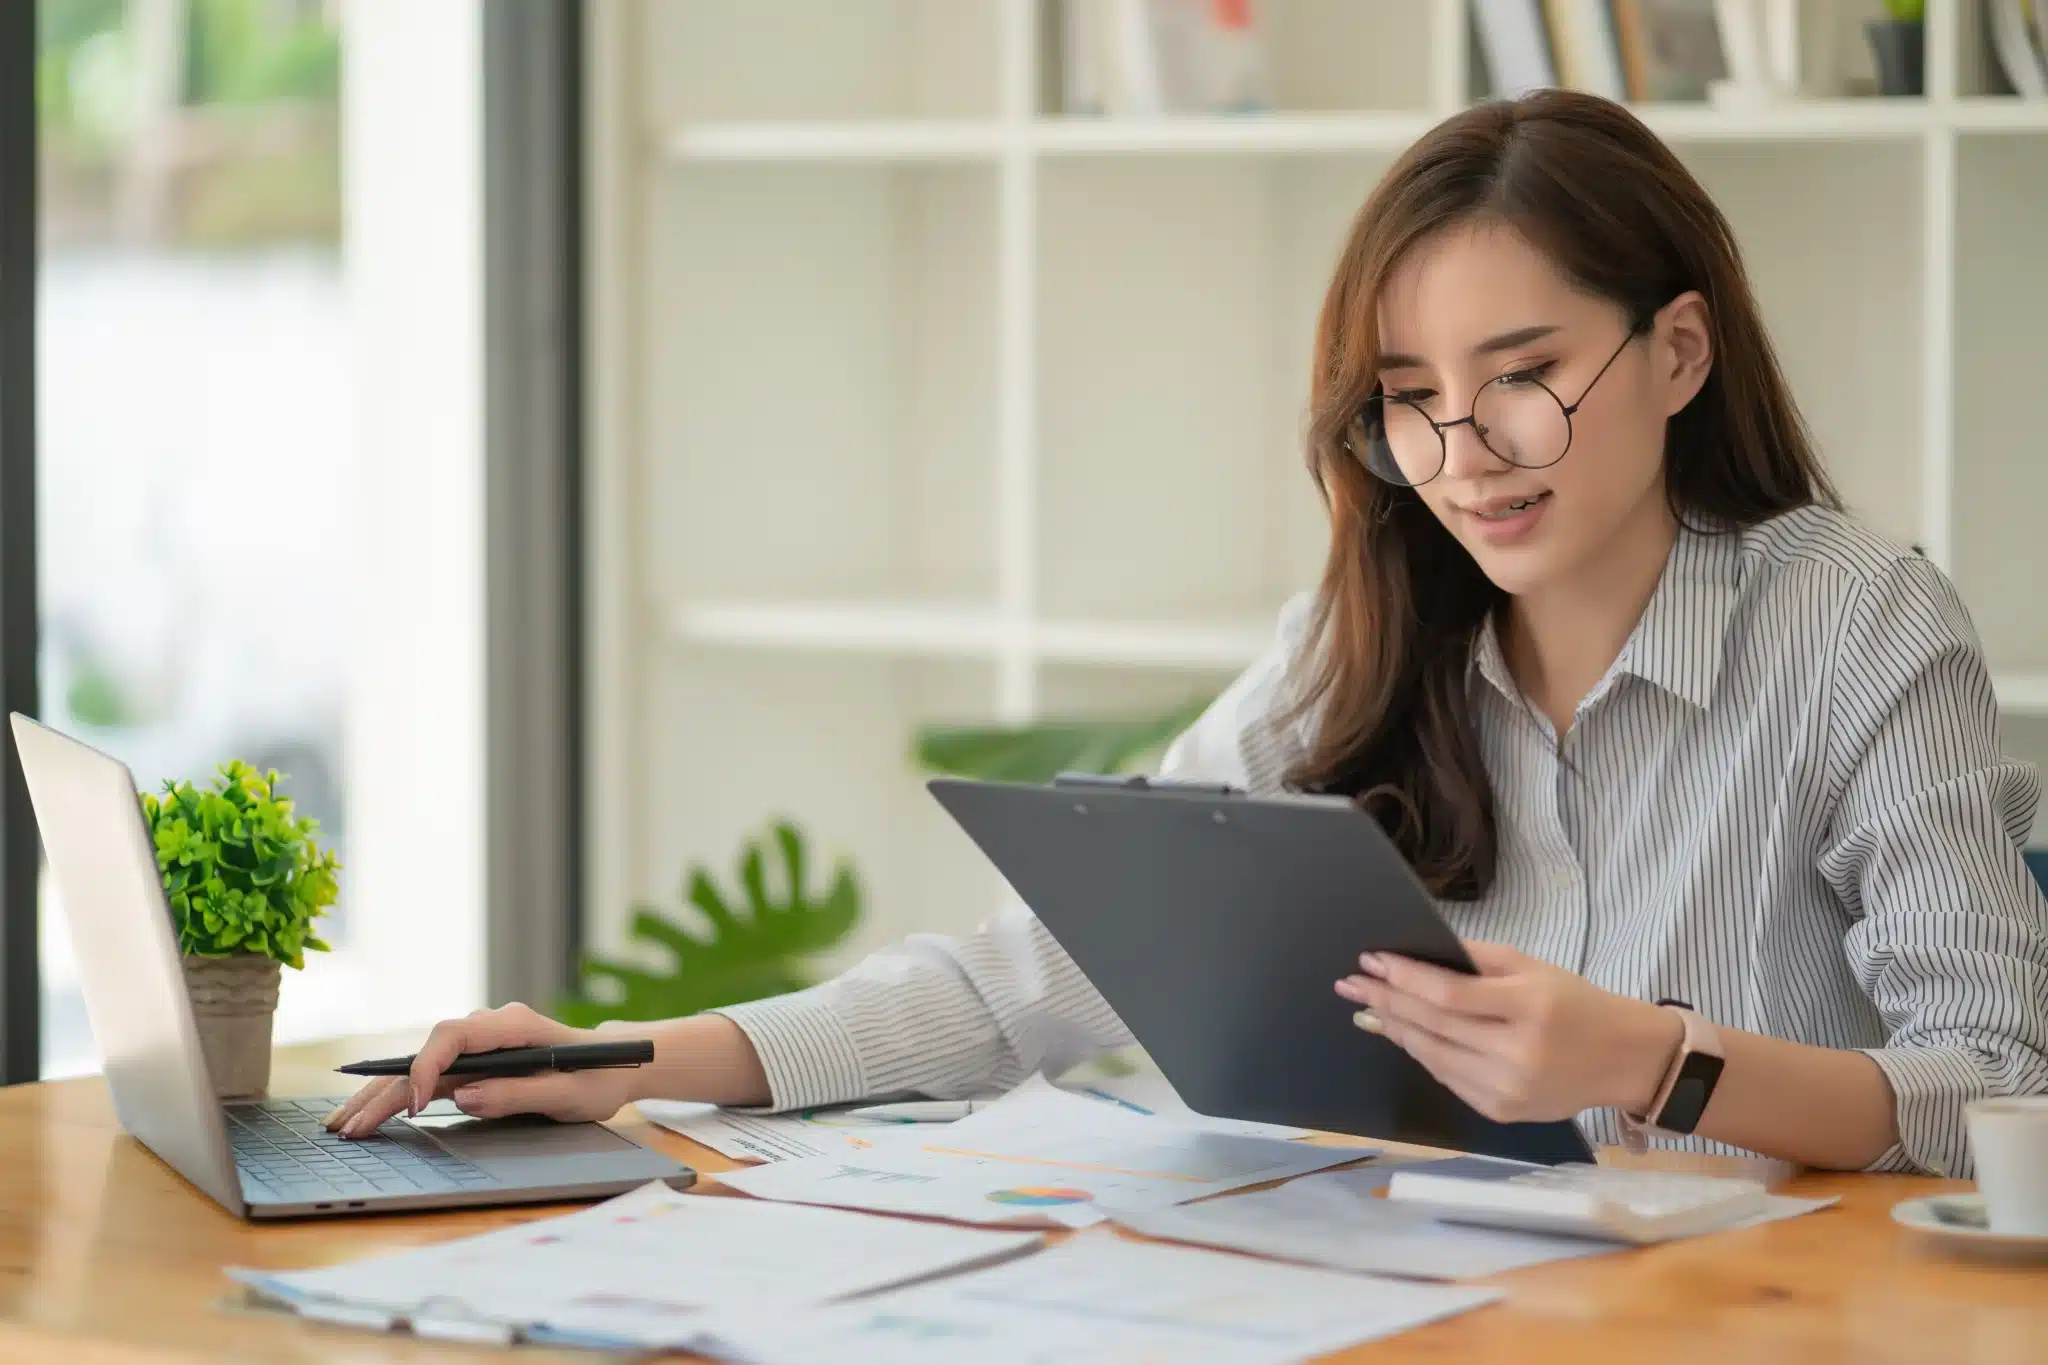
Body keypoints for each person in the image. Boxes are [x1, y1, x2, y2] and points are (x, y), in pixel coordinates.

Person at [330, 89, 2048, 1178]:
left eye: (1525, 379)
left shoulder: (1855, 626)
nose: (1465, 458)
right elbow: (1033, 975)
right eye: (1411, 403)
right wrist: (623, 1064)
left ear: (1677, 353)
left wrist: (1654, 1065)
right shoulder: (1365, 634)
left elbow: (1995, 1091)